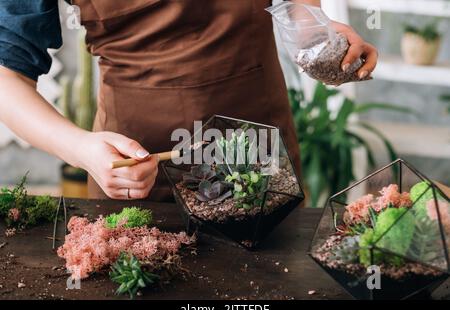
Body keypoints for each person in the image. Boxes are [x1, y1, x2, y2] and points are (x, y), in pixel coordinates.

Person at [0, 0, 377, 201]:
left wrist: (315, 35)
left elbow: (297, 9)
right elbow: (7, 72)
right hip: (138, 176)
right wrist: (81, 148)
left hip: (260, 161)